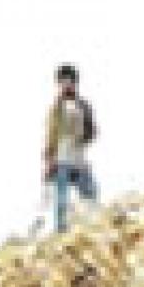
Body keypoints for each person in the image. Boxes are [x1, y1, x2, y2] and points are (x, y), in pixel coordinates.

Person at [43, 64, 98, 233]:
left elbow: (93, 130)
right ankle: (61, 233)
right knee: (61, 201)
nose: (66, 85)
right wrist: (48, 162)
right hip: (61, 160)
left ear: (75, 83)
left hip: (79, 159)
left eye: (70, 81)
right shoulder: (56, 109)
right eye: (62, 82)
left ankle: (92, 228)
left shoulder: (84, 106)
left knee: (90, 194)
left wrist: (85, 135)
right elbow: (50, 135)